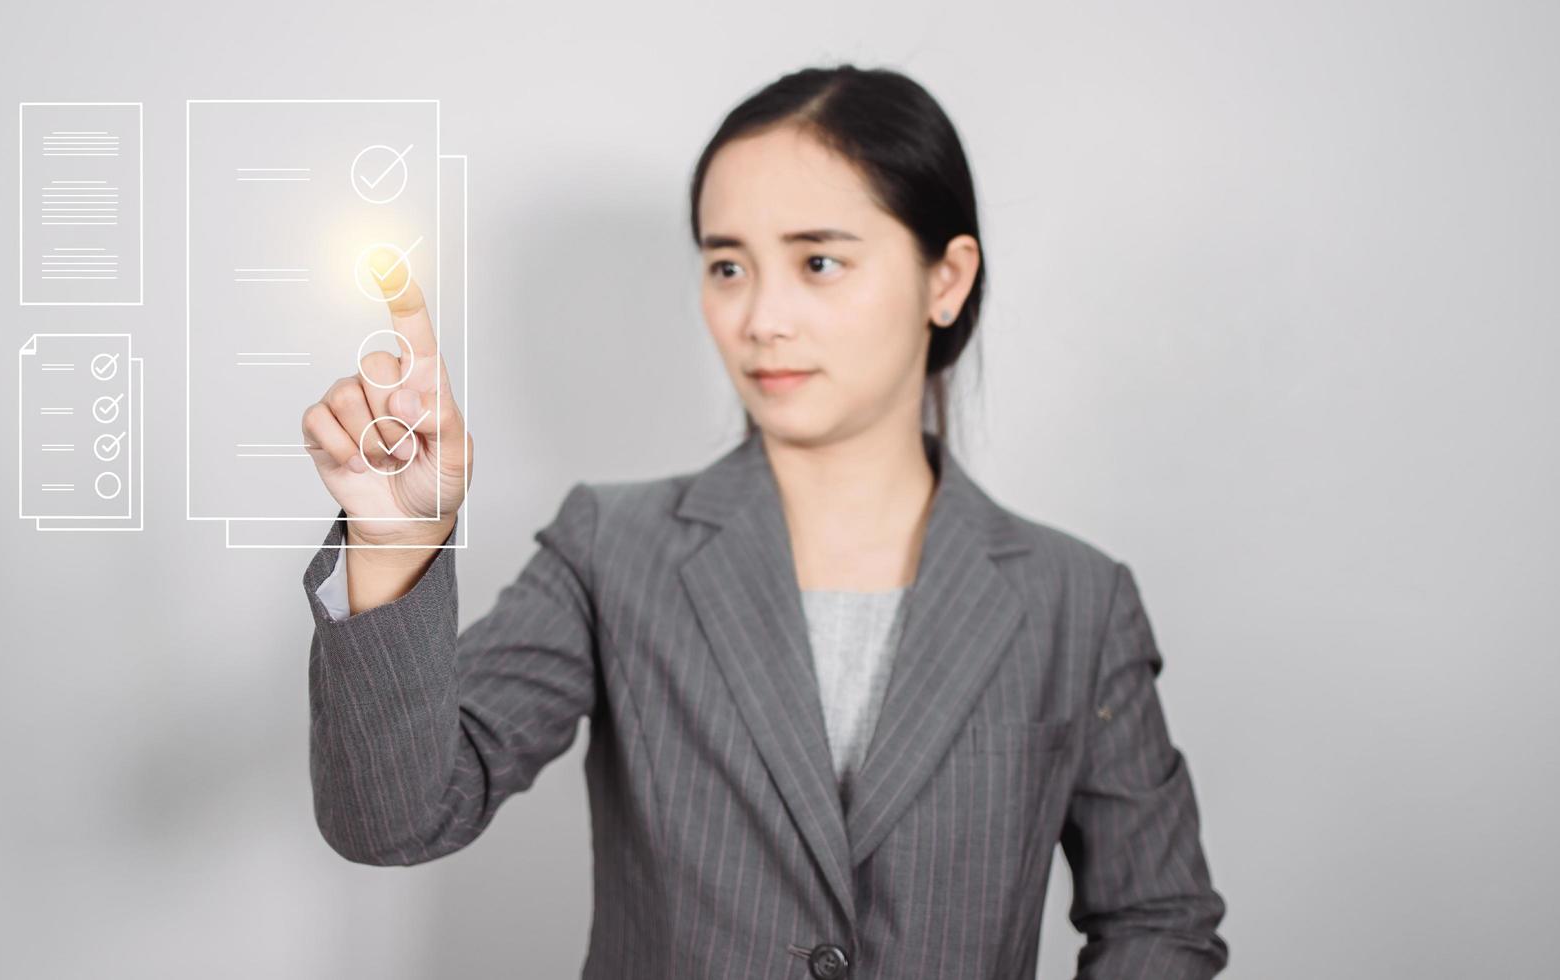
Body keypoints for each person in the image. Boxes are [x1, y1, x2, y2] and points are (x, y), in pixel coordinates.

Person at [299, 63, 1227, 980]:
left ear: (946, 279)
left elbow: (1159, 919)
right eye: (728, 265)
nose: (761, 317)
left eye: (819, 261)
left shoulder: (1073, 598)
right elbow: (396, 819)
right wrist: (392, 544)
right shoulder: (613, 548)